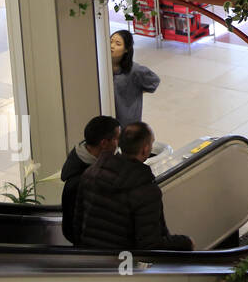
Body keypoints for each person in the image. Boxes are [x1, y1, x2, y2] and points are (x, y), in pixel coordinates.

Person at [76, 121, 193, 251]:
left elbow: (77, 225)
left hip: (93, 260)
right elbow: (150, 245)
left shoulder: (90, 174)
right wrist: (185, 243)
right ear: (145, 149)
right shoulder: (146, 191)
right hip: (125, 264)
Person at [60, 115, 120, 244]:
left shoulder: (109, 160)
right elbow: (72, 229)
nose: (119, 143)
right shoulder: (77, 182)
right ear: (104, 143)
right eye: (117, 139)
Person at [110, 29, 161, 128]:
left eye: (118, 44)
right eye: (110, 41)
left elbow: (154, 81)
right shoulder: (102, 67)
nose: (112, 46)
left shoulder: (134, 70)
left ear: (126, 49)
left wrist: (134, 92)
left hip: (127, 122)